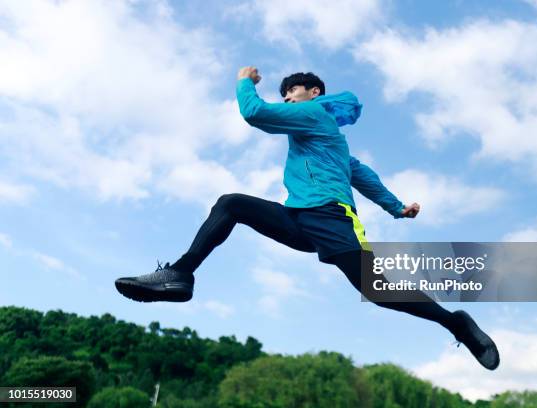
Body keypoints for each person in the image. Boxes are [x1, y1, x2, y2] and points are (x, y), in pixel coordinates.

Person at [115, 68, 500, 370]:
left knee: (376, 290)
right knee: (231, 204)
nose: (286, 98)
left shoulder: (314, 114)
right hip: (297, 219)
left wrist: (244, 82)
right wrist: (396, 207)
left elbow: (254, 113)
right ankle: (180, 273)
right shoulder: (321, 137)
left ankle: (456, 323)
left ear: (314, 94)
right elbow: (360, 172)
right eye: (285, 94)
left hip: (330, 216)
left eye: (292, 92)